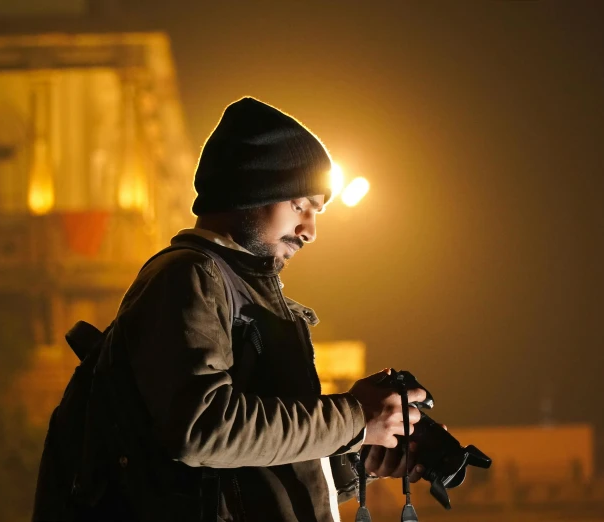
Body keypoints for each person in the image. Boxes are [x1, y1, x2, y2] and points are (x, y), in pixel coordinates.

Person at [113, 97, 426, 521]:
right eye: (300, 206)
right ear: (249, 191)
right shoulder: (189, 275)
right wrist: (353, 417)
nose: (310, 231)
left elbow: (256, 463)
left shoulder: (240, 292)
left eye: (316, 212)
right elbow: (203, 428)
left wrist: (360, 453)